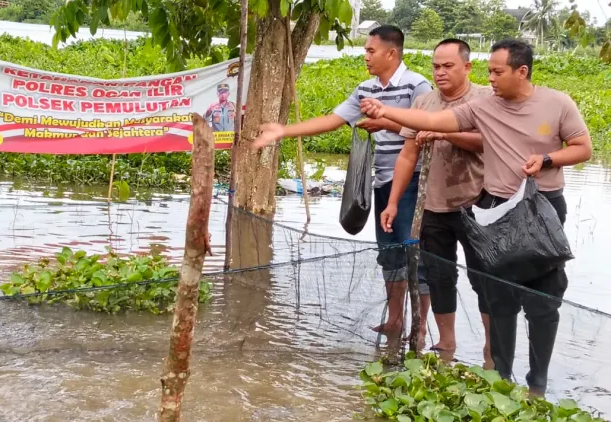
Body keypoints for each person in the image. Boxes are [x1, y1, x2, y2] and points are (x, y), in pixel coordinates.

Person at [359, 39, 592, 396]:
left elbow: (583, 148)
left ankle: (538, 385)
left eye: (498, 72)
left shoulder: (557, 103)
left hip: (542, 209)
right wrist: (385, 112)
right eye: (489, 72)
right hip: (494, 209)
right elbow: (433, 119)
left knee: (543, 301)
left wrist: (546, 160)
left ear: (522, 71)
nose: (492, 79)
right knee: (499, 299)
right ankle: (499, 378)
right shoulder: (485, 107)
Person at [252, 25, 434, 341]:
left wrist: (387, 121)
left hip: (414, 181)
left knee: (414, 251)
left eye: (370, 50)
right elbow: (332, 120)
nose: (366, 56)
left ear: (391, 53)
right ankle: (395, 321)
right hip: (383, 181)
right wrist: (283, 131)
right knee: (389, 250)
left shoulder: (417, 87)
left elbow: (430, 129)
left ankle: (420, 326)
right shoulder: (366, 89)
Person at [379, 38, 493, 368]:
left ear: (467, 67)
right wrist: (393, 202)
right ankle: (446, 344)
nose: (440, 73)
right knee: (440, 276)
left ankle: (490, 350)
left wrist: (445, 134)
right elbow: (407, 155)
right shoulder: (425, 103)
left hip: (479, 202)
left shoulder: (485, 99)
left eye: (448, 66)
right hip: (432, 204)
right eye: (436, 67)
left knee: (483, 276)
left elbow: (489, 143)